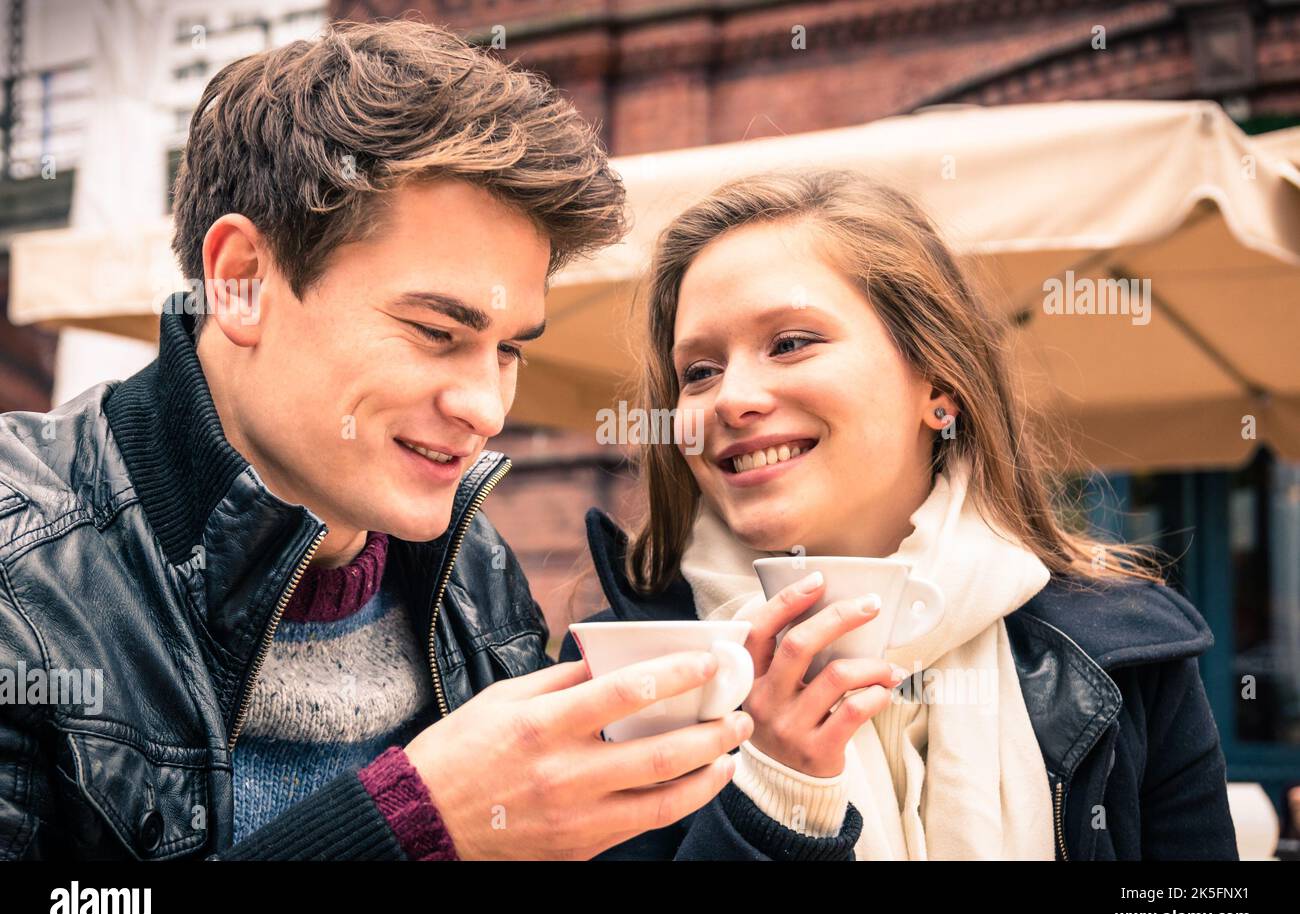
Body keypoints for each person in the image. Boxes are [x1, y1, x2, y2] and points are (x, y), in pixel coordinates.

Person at [0, 20, 786, 861]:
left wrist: (786, 790)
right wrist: (413, 823)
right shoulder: (23, 569)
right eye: (436, 331)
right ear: (241, 282)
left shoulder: (473, 570)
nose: (486, 407)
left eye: (510, 348)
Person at [563, 168, 1239, 860]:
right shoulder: (625, 671)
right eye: (699, 370)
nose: (731, 398)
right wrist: (775, 797)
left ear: (939, 387)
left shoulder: (1130, 653)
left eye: (791, 342)